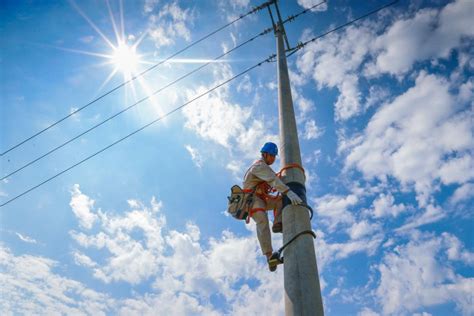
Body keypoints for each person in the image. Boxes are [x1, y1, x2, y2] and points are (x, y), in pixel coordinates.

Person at [243, 142, 303, 271]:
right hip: (252, 199)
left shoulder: (265, 167)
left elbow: (273, 178)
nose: (274, 159)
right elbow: (273, 180)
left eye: (275, 156)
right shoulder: (259, 166)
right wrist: (289, 191)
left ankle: (278, 223)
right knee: (262, 220)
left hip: (261, 198)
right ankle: (269, 257)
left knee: (279, 200)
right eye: (272, 156)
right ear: (265, 154)